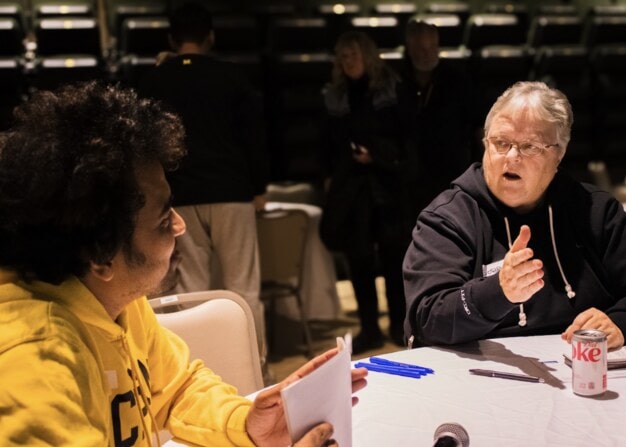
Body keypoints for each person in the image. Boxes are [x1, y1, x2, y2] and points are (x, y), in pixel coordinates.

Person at [0, 81, 367, 446]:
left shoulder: (116, 301)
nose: (180, 225)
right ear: (100, 255)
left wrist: (244, 422)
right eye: (163, 221)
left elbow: (177, 389)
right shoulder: (32, 361)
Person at [403, 81, 626, 350]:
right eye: (500, 142)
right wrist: (498, 292)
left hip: (582, 369)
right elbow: (426, 320)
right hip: (480, 376)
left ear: (559, 154)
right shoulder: (448, 218)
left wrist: (623, 322)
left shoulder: (595, 211)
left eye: (529, 146)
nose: (511, 157)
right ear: (485, 143)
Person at [138, 2, 269, 359]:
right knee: (243, 288)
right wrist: (259, 187)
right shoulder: (232, 76)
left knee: (194, 289)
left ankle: (203, 367)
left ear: (171, 38)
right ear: (210, 36)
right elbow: (253, 137)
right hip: (232, 191)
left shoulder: (155, 79)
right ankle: (255, 366)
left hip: (181, 194)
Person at [319, 31, 414, 354]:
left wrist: (377, 154)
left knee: (393, 259)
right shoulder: (335, 95)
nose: (348, 62)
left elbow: (406, 138)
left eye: (354, 56)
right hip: (352, 189)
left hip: (387, 185)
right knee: (359, 260)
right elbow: (328, 146)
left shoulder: (391, 89)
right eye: (343, 57)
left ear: (368, 56)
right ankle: (370, 328)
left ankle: (400, 322)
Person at [398, 18, 478, 216]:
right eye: (420, 48)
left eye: (431, 47)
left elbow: (475, 122)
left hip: (449, 167)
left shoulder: (457, 80)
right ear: (409, 48)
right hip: (407, 173)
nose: (427, 53)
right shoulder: (396, 80)